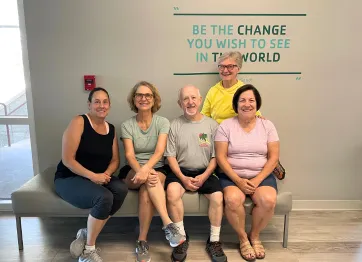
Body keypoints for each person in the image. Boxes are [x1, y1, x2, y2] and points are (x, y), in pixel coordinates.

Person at [54, 87, 128, 262]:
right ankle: (89, 250)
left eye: (105, 102)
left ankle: (88, 232)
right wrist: (93, 176)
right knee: (104, 197)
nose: (101, 105)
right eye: (97, 101)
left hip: (98, 176)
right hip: (69, 178)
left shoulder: (111, 128)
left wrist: (106, 174)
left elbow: (115, 160)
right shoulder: (79, 121)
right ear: (89, 104)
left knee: (120, 189)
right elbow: (68, 159)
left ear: (109, 105)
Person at [118, 81, 185, 262]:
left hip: (156, 167)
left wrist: (147, 170)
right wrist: (141, 170)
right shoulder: (127, 125)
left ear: (154, 99)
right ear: (134, 99)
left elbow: (159, 151)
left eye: (148, 95)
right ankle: (168, 224)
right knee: (149, 180)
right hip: (133, 169)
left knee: (147, 189)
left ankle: (142, 241)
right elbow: (130, 155)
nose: (143, 98)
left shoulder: (162, 122)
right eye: (139, 95)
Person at [214, 84, 279, 261]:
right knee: (233, 200)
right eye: (242, 100)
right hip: (232, 176)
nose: (247, 104)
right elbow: (220, 157)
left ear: (257, 104)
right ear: (236, 104)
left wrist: (257, 180)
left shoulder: (267, 125)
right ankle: (243, 239)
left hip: (261, 175)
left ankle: (255, 236)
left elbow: (273, 158)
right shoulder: (226, 126)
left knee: (268, 200)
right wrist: (238, 180)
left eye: (251, 100)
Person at [165, 85, 227, 262]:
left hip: (205, 171)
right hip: (180, 171)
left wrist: (205, 175)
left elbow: (216, 156)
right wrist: (183, 178)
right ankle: (181, 239)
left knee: (217, 197)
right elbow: (170, 155)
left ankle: (214, 241)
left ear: (200, 100)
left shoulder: (212, 125)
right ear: (180, 103)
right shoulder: (174, 125)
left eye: (193, 98)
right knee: (171, 193)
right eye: (185, 99)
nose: (190, 102)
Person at [201, 51, 261, 124]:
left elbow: (255, 115)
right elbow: (204, 117)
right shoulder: (213, 91)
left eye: (230, 66)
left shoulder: (244, 91)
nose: (225, 70)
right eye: (222, 66)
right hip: (217, 132)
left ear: (238, 69)